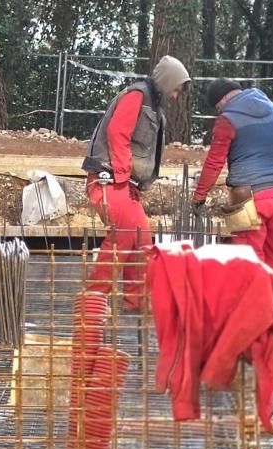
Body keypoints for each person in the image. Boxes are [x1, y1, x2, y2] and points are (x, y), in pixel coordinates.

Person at [80, 55, 191, 310]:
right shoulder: (138, 95)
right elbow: (117, 132)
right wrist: (123, 174)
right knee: (124, 235)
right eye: (175, 89)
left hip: (125, 184)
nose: (175, 96)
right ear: (167, 81)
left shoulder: (154, 105)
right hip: (109, 180)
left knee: (142, 241)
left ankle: (135, 302)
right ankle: (93, 299)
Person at [191, 78, 273, 307]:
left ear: (223, 99)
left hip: (248, 199)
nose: (219, 111)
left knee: (249, 255)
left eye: (218, 106)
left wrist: (199, 196)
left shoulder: (227, 119)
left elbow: (214, 162)